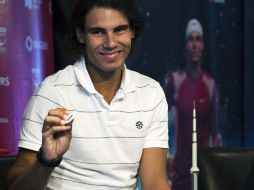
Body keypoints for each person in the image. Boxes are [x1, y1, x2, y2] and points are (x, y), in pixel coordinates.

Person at [7, 0, 171, 190]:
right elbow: (16, 187)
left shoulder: (151, 93)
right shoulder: (52, 92)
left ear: (132, 31)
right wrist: (46, 160)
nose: (110, 43)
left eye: (119, 30)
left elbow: (155, 184)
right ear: (80, 34)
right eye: (98, 32)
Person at [164, 18, 220, 190]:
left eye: (198, 39)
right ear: (185, 45)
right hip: (179, 172)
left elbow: (215, 133)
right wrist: (166, 155)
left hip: (203, 171)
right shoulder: (175, 81)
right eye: (191, 39)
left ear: (203, 44)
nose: (194, 44)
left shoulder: (210, 84)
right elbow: (159, 122)